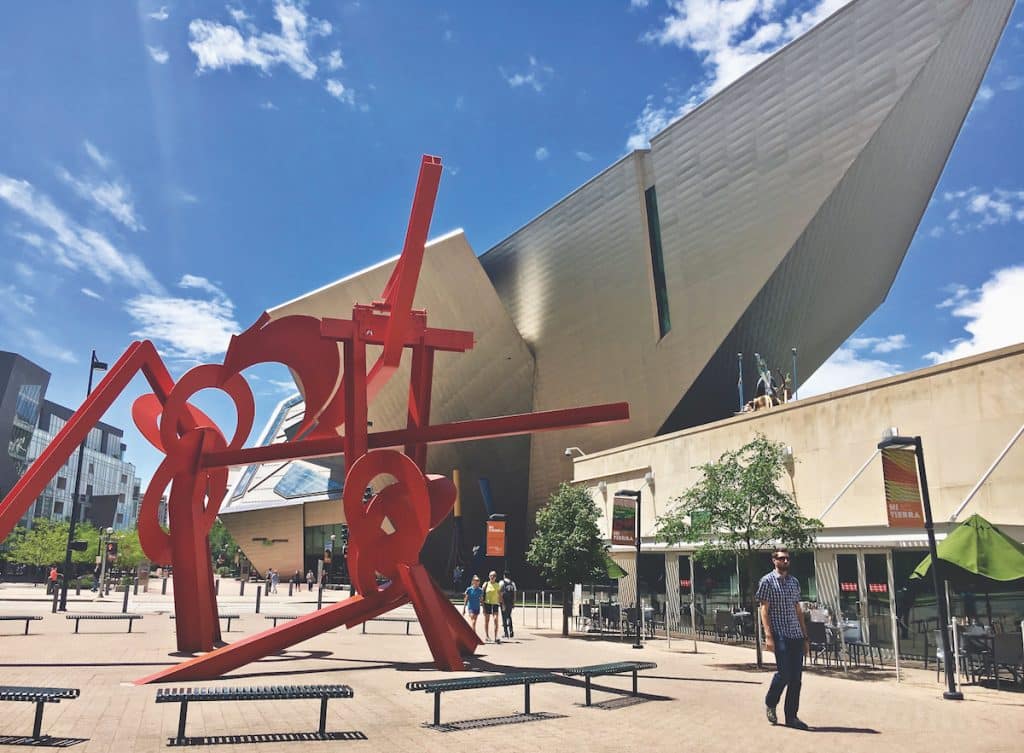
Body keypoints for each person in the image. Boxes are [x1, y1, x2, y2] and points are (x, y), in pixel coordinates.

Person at [757, 546, 810, 730]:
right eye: (781, 558)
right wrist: (768, 635)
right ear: (774, 560)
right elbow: (764, 610)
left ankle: (791, 717)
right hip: (779, 633)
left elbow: (798, 609)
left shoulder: (794, 582)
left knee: (796, 678)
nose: (785, 561)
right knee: (784, 673)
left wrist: (804, 636)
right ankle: (771, 702)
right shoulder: (767, 581)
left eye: (787, 558)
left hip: (795, 633)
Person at [482, 571, 503, 643]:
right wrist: (483, 606)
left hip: (495, 604)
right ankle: (487, 636)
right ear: (489, 576)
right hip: (487, 604)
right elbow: (482, 595)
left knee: (495, 619)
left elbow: (500, 595)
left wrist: (502, 604)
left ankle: (496, 637)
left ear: (495, 577)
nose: (492, 577)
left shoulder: (497, 585)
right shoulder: (486, 584)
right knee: (487, 620)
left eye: (494, 576)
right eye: (491, 575)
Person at [500, 572, 517, 639]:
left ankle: (506, 633)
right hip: (510, 601)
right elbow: (515, 593)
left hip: (504, 601)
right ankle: (511, 631)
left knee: (504, 617)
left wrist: (502, 602)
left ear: (504, 576)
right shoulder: (512, 583)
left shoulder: (502, 582)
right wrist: (514, 602)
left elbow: (500, 593)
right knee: (509, 616)